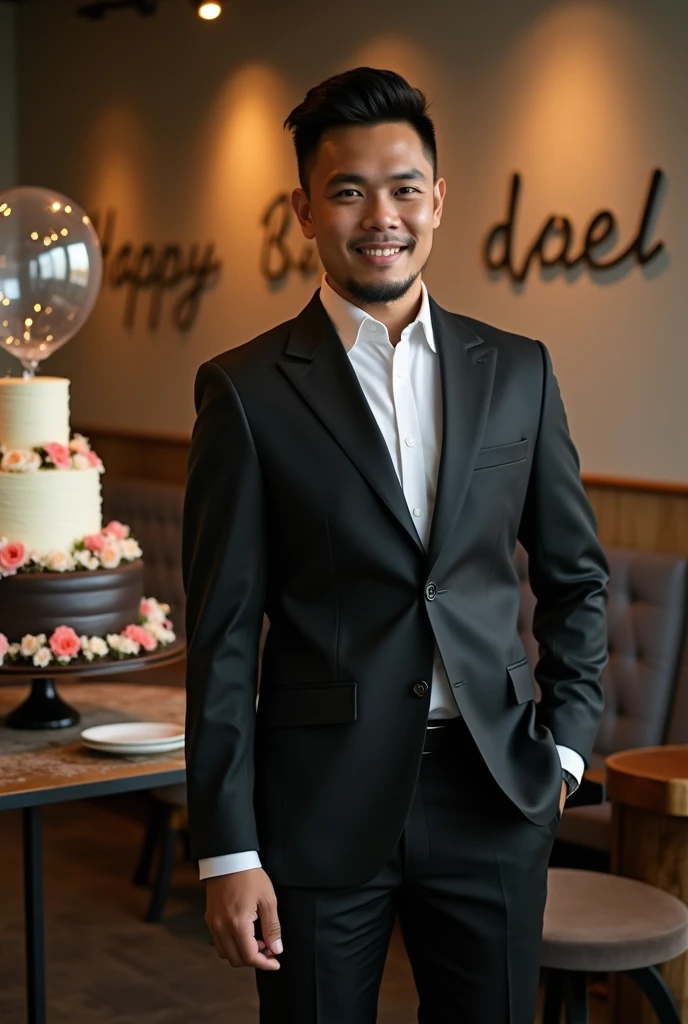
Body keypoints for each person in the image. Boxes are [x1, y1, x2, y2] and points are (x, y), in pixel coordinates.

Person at [182, 66, 609, 1023]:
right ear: (303, 209)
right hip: (318, 808)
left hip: (495, 791)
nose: (382, 214)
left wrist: (568, 752)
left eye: (404, 187)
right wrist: (229, 849)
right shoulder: (245, 391)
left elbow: (577, 578)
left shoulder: (518, 371)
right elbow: (222, 635)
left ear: (438, 200)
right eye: (347, 190)